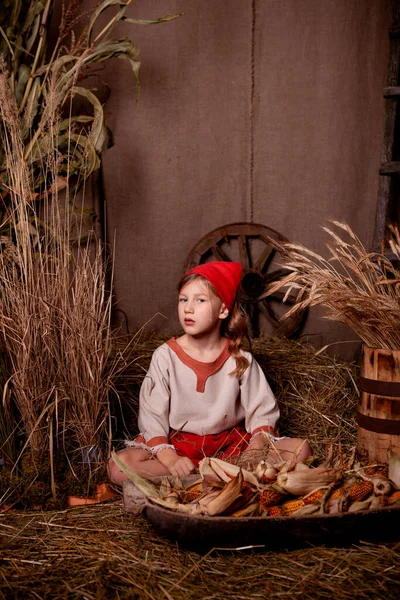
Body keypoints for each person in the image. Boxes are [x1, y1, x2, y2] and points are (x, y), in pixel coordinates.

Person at [108, 261, 311, 485]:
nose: (188, 308)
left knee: (300, 449)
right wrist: (170, 459)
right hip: (180, 446)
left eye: (200, 300)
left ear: (223, 309)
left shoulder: (239, 358)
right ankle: (213, 477)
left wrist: (257, 447)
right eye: (183, 299)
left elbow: (262, 409)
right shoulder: (165, 356)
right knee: (120, 467)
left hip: (232, 446)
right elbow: (152, 414)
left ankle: (216, 475)